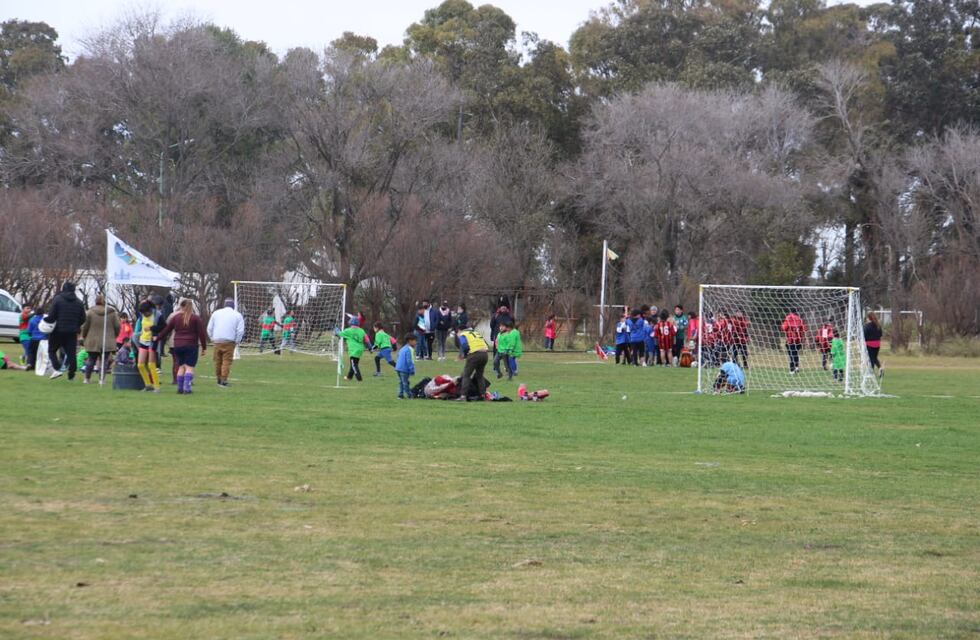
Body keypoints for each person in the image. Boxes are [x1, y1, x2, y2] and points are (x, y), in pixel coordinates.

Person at [155, 299, 208, 395]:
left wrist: (158, 338)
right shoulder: (195, 318)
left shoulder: (175, 318)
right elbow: (201, 334)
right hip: (191, 345)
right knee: (189, 367)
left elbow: (166, 330)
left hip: (177, 345)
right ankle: (187, 388)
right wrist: (204, 347)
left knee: (181, 366)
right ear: (191, 307)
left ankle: (179, 388)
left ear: (181, 307)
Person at [43, 282, 87, 381]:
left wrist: (45, 321)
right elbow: (83, 318)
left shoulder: (57, 299)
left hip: (57, 330)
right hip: (72, 331)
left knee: (52, 350)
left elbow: (52, 316)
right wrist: (76, 325)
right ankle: (71, 373)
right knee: (71, 353)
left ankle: (58, 368)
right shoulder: (79, 302)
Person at [80, 295, 120, 384]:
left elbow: (85, 327)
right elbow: (117, 326)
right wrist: (114, 336)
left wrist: (84, 336)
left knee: (91, 360)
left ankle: (87, 379)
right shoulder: (112, 313)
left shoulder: (89, 312)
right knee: (104, 361)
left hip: (92, 340)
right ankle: (101, 380)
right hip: (107, 340)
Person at [208, 298, 246, 388]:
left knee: (217, 361)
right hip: (229, 341)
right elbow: (240, 331)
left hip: (217, 341)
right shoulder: (237, 315)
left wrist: (212, 338)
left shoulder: (216, 313)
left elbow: (209, 328)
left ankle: (218, 378)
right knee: (226, 361)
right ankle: (223, 380)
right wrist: (237, 341)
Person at [134, 299, 163, 392]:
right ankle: (148, 385)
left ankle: (156, 386)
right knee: (140, 365)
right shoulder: (142, 315)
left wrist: (151, 328)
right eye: (143, 313)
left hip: (152, 341)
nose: (145, 315)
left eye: (146, 313)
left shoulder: (157, 315)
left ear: (150, 310)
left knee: (151, 364)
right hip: (143, 341)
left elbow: (164, 327)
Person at [456, 326, 490, 401]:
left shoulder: (463, 334)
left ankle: (463, 396)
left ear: (459, 330)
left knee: (466, 375)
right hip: (485, 354)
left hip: (474, 354)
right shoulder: (476, 333)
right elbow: (486, 344)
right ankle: (483, 395)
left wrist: (465, 355)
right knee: (479, 376)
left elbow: (465, 346)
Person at [336, 317, 368, 382]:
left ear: (350, 323)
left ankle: (359, 378)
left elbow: (339, 334)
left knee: (354, 365)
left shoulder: (348, 330)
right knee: (353, 364)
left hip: (353, 350)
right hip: (360, 350)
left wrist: (336, 329)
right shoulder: (361, 330)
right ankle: (349, 377)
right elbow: (367, 339)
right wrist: (370, 347)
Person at [780, 309, 807, 374]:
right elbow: (804, 329)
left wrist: (783, 326)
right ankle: (797, 367)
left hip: (790, 340)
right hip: (798, 340)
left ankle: (792, 370)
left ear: (790, 312)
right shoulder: (799, 319)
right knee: (795, 353)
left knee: (791, 354)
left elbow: (784, 328)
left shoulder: (788, 318)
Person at [395, 333, 417, 399]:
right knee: (405, 383)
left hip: (398, 368)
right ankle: (410, 395)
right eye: (415, 340)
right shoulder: (409, 349)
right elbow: (409, 361)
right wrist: (412, 369)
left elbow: (398, 356)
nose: (416, 342)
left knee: (401, 382)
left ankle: (400, 395)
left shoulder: (403, 348)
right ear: (410, 341)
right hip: (404, 369)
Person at [864, 312, 884, 379]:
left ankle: (870, 372)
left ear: (868, 318)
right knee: (874, 357)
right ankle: (880, 368)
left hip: (869, 344)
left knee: (870, 359)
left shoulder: (867, 326)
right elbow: (880, 334)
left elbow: (864, 335)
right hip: (877, 344)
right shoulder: (878, 325)